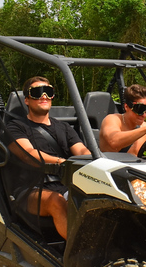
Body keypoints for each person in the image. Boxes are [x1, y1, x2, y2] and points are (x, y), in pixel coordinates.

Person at [6, 76, 90, 239]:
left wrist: (95, 161)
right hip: (31, 189)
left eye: (48, 91)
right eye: (37, 92)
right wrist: (62, 163)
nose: (44, 96)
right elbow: (29, 154)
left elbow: (81, 150)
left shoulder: (64, 127)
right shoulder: (16, 127)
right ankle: (80, 256)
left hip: (66, 184)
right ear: (27, 100)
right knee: (56, 201)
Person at [99, 84, 146, 155]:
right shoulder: (112, 119)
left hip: (133, 165)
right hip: (110, 165)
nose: (144, 114)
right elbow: (113, 141)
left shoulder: (145, 130)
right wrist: (144, 130)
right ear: (126, 106)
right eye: (140, 109)